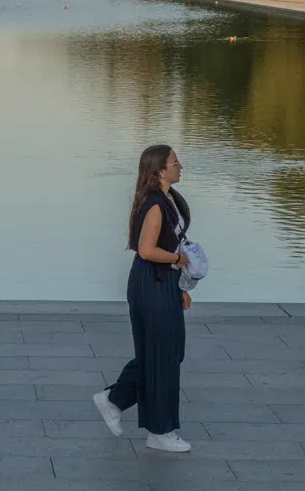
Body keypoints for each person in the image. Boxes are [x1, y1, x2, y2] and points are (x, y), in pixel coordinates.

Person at [94, 145, 193, 453]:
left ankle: (115, 399)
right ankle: (160, 431)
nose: (181, 166)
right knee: (161, 354)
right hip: (151, 283)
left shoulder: (169, 200)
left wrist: (182, 285)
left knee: (170, 352)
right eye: (175, 163)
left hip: (165, 282)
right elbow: (147, 249)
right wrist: (179, 259)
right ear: (160, 170)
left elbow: (170, 241)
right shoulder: (153, 204)